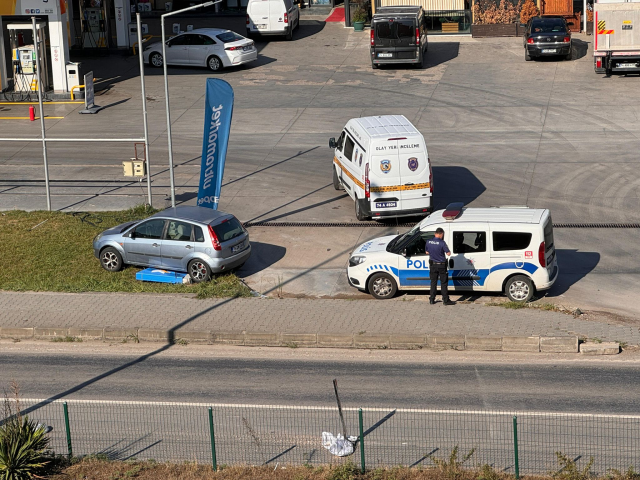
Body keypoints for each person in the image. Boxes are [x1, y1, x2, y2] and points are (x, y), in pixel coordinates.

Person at [425, 228, 456, 305]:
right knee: (444, 283)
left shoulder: (428, 242)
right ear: (441, 234)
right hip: (442, 266)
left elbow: (427, 252)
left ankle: (432, 299)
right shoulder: (442, 243)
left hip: (432, 265)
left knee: (433, 282)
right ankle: (445, 300)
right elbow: (448, 253)